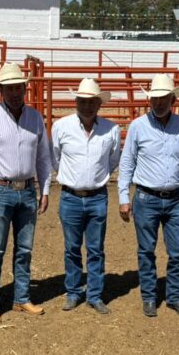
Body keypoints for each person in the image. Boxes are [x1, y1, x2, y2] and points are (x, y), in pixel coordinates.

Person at [0, 62, 52, 325]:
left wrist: (45, 189)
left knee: (24, 249)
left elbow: (42, 156)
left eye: (19, 87)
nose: (16, 92)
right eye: (10, 88)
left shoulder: (35, 118)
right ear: (1, 91)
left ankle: (21, 297)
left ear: (25, 89)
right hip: (0, 190)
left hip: (28, 189)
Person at [118, 74, 179, 317]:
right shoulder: (138, 126)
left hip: (175, 197)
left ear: (173, 99)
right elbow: (127, 163)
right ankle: (150, 297)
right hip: (146, 197)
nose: (159, 103)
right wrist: (123, 196)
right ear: (149, 99)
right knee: (146, 250)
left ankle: (174, 297)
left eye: (164, 98)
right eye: (155, 98)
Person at [51, 78, 121, 314]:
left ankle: (94, 294)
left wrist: (95, 178)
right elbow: (55, 158)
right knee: (71, 247)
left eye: (92, 102)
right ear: (76, 102)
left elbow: (113, 160)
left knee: (95, 248)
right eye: (83, 101)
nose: (87, 106)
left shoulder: (111, 130)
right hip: (70, 196)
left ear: (99, 104)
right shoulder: (61, 127)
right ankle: (73, 292)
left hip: (97, 196)